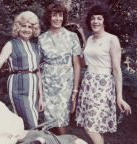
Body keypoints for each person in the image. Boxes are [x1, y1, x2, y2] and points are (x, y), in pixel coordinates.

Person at [75, 5, 132, 144]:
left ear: (104, 21)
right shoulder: (89, 39)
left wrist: (119, 97)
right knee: (93, 125)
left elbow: (116, 69)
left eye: (99, 18)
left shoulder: (112, 39)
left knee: (91, 128)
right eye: (93, 18)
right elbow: (84, 63)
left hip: (102, 85)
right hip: (88, 83)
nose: (95, 21)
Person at [0, 78, 87, 144]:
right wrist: (16, 138)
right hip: (24, 142)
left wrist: (19, 132)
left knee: (76, 140)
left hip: (28, 135)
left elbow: (17, 120)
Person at [0, 11, 43, 129]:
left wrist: (41, 96)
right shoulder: (11, 44)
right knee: (31, 124)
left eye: (30, 27)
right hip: (18, 86)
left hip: (33, 89)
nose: (27, 29)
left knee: (30, 122)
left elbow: (37, 71)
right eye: (24, 26)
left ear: (34, 29)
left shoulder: (35, 46)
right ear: (18, 27)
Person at [38, 1, 82, 135]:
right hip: (48, 84)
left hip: (65, 85)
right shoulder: (42, 38)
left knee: (61, 119)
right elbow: (38, 66)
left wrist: (75, 90)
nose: (57, 18)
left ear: (63, 17)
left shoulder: (72, 37)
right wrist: (40, 92)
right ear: (49, 17)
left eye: (60, 15)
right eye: (54, 15)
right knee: (49, 119)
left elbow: (77, 65)